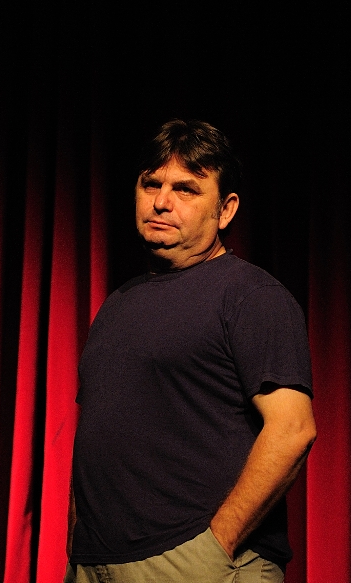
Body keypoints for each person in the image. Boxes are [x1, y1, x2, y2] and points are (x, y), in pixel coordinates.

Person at [64, 119, 316, 583]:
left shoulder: (251, 295)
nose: (161, 201)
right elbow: (95, 436)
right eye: (151, 184)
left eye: (186, 189)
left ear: (226, 209)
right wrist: (77, 548)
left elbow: (293, 429)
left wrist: (214, 546)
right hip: (95, 564)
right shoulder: (117, 303)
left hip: (192, 563)